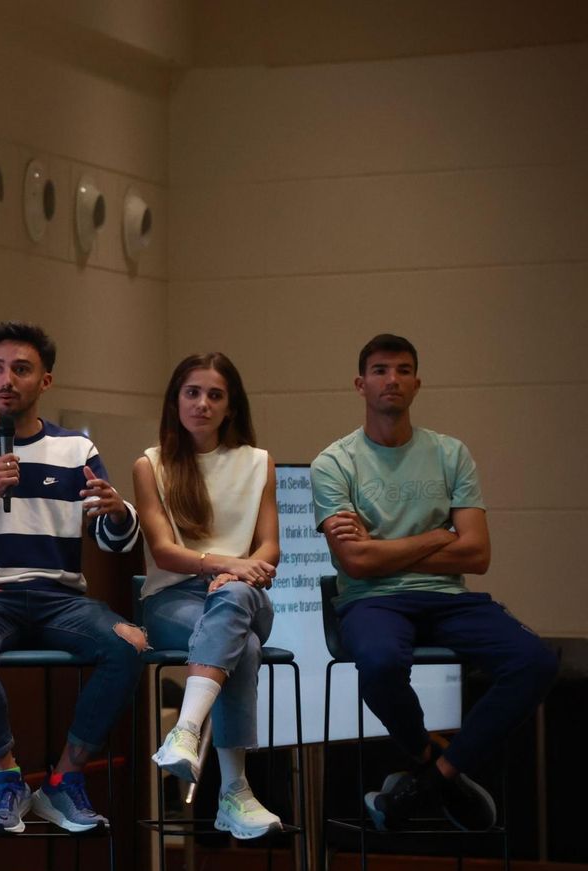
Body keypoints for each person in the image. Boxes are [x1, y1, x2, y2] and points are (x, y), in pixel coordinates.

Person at [311, 333, 556, 831]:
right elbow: (356, 563)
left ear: (417, 383)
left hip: (447, 598)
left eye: (403, 370)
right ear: (361, 384)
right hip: (372, 601)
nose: (391, 380)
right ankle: (433, 761)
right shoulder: (334, 463)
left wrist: (386, 548)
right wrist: (439, 536)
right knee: (379, 662)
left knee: (535, 662)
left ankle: (433, 778)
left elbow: (478, 553)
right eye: (380, 370)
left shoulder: (450, 454)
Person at [0, 322, 147, 835]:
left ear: (45, 382)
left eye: (21, 370)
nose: (7, 380)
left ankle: (64, 779)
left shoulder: (75, 451)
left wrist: (116, 512)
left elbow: (114, 541)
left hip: (59, 597)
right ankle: (8, 779)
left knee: (129, 642)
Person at [133, 353, 282, 839]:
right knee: (247, 648)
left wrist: (238, 574)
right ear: (176, 400)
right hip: (173, 597)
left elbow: (270, 548)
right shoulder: (150, 465)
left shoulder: (258, 463)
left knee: (235, 601)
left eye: (215, 395)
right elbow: (164, 551)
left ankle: (186, 731)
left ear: (230, 406)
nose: (202, 403)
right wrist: (224, 564)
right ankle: (235, 792)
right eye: (192, 393)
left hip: (244, 593)